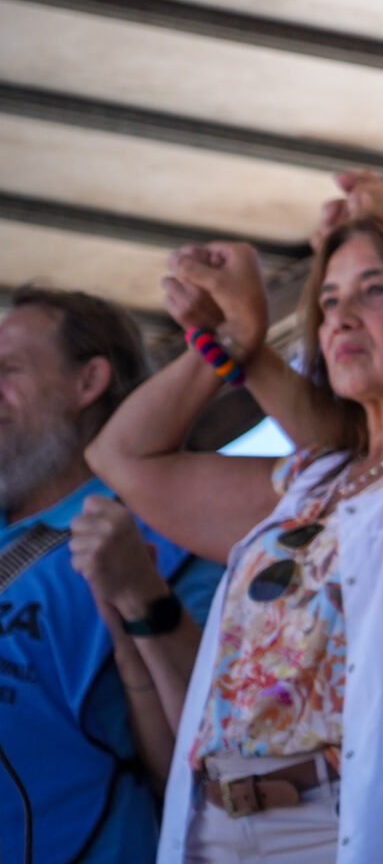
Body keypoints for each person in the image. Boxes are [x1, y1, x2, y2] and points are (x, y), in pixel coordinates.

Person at [88, 209, 383, 864]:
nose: (341, 318)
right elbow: (123, 457)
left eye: (375, 290)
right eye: (328, 301)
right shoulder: (311, 477)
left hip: (349, 825)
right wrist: (229, 342)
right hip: (217, 825)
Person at [0, 289, 220, 864]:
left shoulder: (170, 539)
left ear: (89, 381)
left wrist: (143, 599)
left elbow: (211, 757)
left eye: (9, 370)